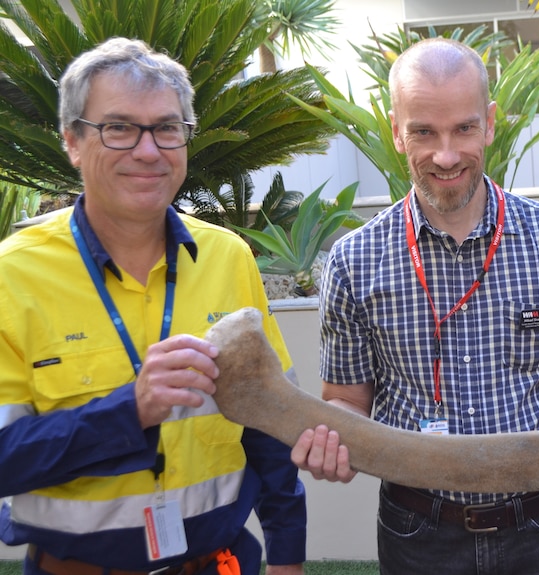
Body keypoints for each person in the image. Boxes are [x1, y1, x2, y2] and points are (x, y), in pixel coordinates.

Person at [289, 37, 539, 575]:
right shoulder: (353, 261)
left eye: (464, 129)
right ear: (395, 132)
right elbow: (346, 403)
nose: (446, 155)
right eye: (424, 131)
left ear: (490, 123)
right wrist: (329, 439)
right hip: (418, 530)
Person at [0, 38, 306, 575]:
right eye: (118, 128)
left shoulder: (228, 257)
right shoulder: (11, 276)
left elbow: (269, 422)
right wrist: (129, 411)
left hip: (220, 563)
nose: (149, 151)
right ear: (72, 141)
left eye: (167, 128)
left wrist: (287, 554)